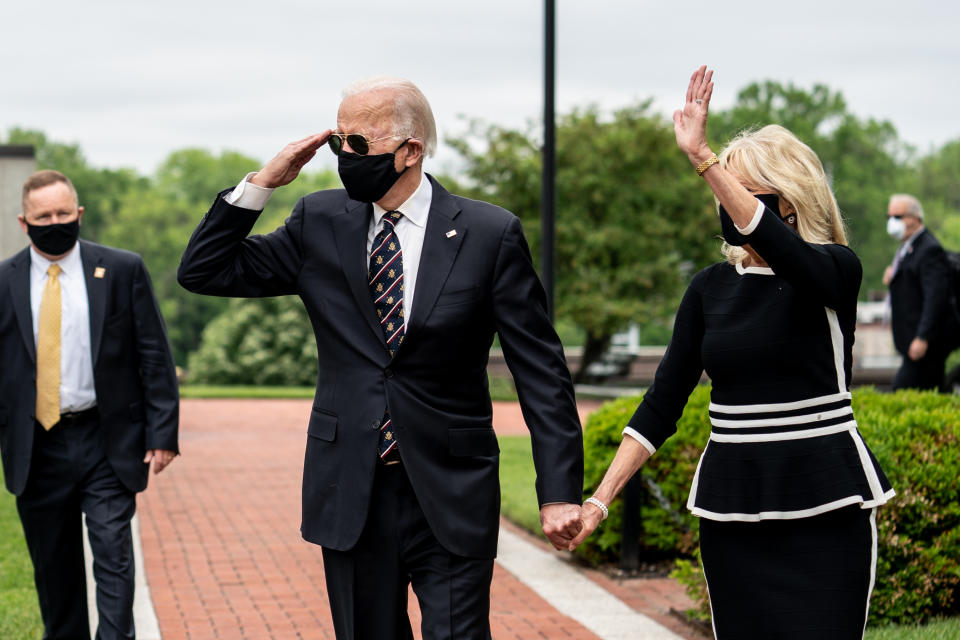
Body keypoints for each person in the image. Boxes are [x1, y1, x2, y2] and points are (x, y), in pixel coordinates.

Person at [177, 77, 583, 640]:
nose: (345, 156)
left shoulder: (490, 234)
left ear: (410, 150)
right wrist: (263, 183)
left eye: (358, 144)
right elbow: (203, 271)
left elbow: (541, 371)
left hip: (451, 487)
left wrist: (559, 491)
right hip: (351, 491)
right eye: (337, 141)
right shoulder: (318, 222)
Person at [570, 67, 895, 639]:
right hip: (733, 510)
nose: (727, 199)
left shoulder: (834, 271)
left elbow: (787, 253)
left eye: (745, 190)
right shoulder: (709, 288)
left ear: (789, 202)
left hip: (827, 505)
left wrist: (704, 158)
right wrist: (599, 500)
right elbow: (661, 403)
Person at [0, 170, 180, 640]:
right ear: (24, 222)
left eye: (63, 213)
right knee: (53, 568)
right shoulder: (3, 282)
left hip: (106, 439)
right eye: (44, 216)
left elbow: (154, 353)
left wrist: (162, 433)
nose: (54, 222)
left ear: (79, 214)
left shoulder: (121, 269)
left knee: (112, 552)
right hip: (37, 448)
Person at [883, 193, 954, 391]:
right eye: (889, 217)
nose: (892, 222)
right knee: (934, 391)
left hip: (926, 344)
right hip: (913, 342)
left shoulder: (929, 249)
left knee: (902, 391)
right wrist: (893, 277)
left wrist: (922, 337)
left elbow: (935, 298)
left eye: (898, 217)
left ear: (915, 219)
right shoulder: (908, 246)